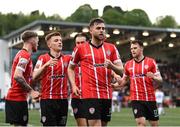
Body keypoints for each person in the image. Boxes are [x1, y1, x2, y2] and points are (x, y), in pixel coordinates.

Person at [68, 18, 123, 126]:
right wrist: (74, 85)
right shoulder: (81, 49)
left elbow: (121, 70)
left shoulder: (111, 48)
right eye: (98, 28)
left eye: (103, 28)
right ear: (91, 31)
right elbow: (70, 68)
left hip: (107, 94)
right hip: (90, 94)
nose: (101, 30)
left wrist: (112, 66)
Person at [116, 40, 163, 127]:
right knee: (141, 123)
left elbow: (160, 80)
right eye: (131, 49)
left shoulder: (151, 62)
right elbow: (124, 80)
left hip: (150, 99)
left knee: (154, 124)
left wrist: (153, 77)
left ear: (141, 48)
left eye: (135, 48)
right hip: (136, 99)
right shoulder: (128, 64)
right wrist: (114, 85)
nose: (132, 50)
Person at [33, 31, 71, 126]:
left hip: (63, 100)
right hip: (48, 100)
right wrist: (46, 65)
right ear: (49, 44)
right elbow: (34, 76)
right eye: (56, 40)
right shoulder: (43, 58)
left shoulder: (67, 59)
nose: (60, 42)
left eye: (60, 40)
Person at [5, 30, 40, 126]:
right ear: (32, 40)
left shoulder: (22, 54)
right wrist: (31, 91)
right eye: (37, 40)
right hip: (17, 98)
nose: (38, 43)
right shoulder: (24, 55)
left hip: (17, 98)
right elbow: (17, 75)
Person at [70, 33, 89, 126]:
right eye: (77, 43)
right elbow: (69, 69)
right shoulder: (73, 56)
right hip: (77, 97)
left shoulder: (92, 54)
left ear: (88, 42)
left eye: (82, 42)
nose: (80, 45)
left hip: (91, 96)